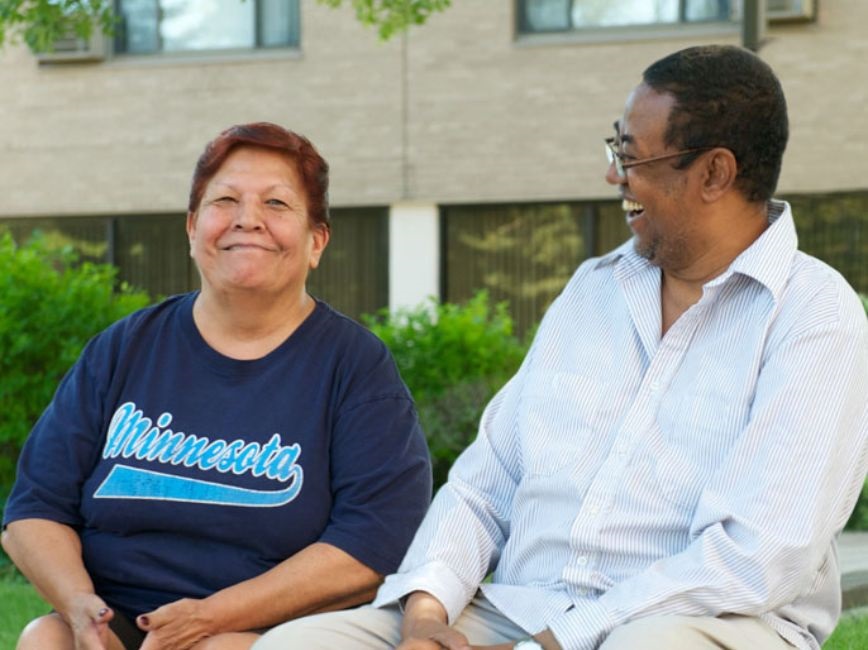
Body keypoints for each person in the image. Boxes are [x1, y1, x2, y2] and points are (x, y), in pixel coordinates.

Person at [253, 45, 868, 650]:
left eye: (631, 156)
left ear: (714, 173)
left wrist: (549, 645)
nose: (612, 174)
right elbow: (486, 480)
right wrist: (426, 614)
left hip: (714, 625)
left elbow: (755, 559)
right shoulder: (591, 292)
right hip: (525, 608)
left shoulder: (814, 317)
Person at [1, 122, 432, 650]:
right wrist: (78, 606)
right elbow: (34, 509)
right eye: (225, 200)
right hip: (113, 622)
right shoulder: (124, 349)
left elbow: (373, 544)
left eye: (276, 204)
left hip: (263, 632)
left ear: (316, 241)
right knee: (45, 638)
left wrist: (209, 618)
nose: (247, 220)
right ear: (192, 228)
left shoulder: (355, 367)